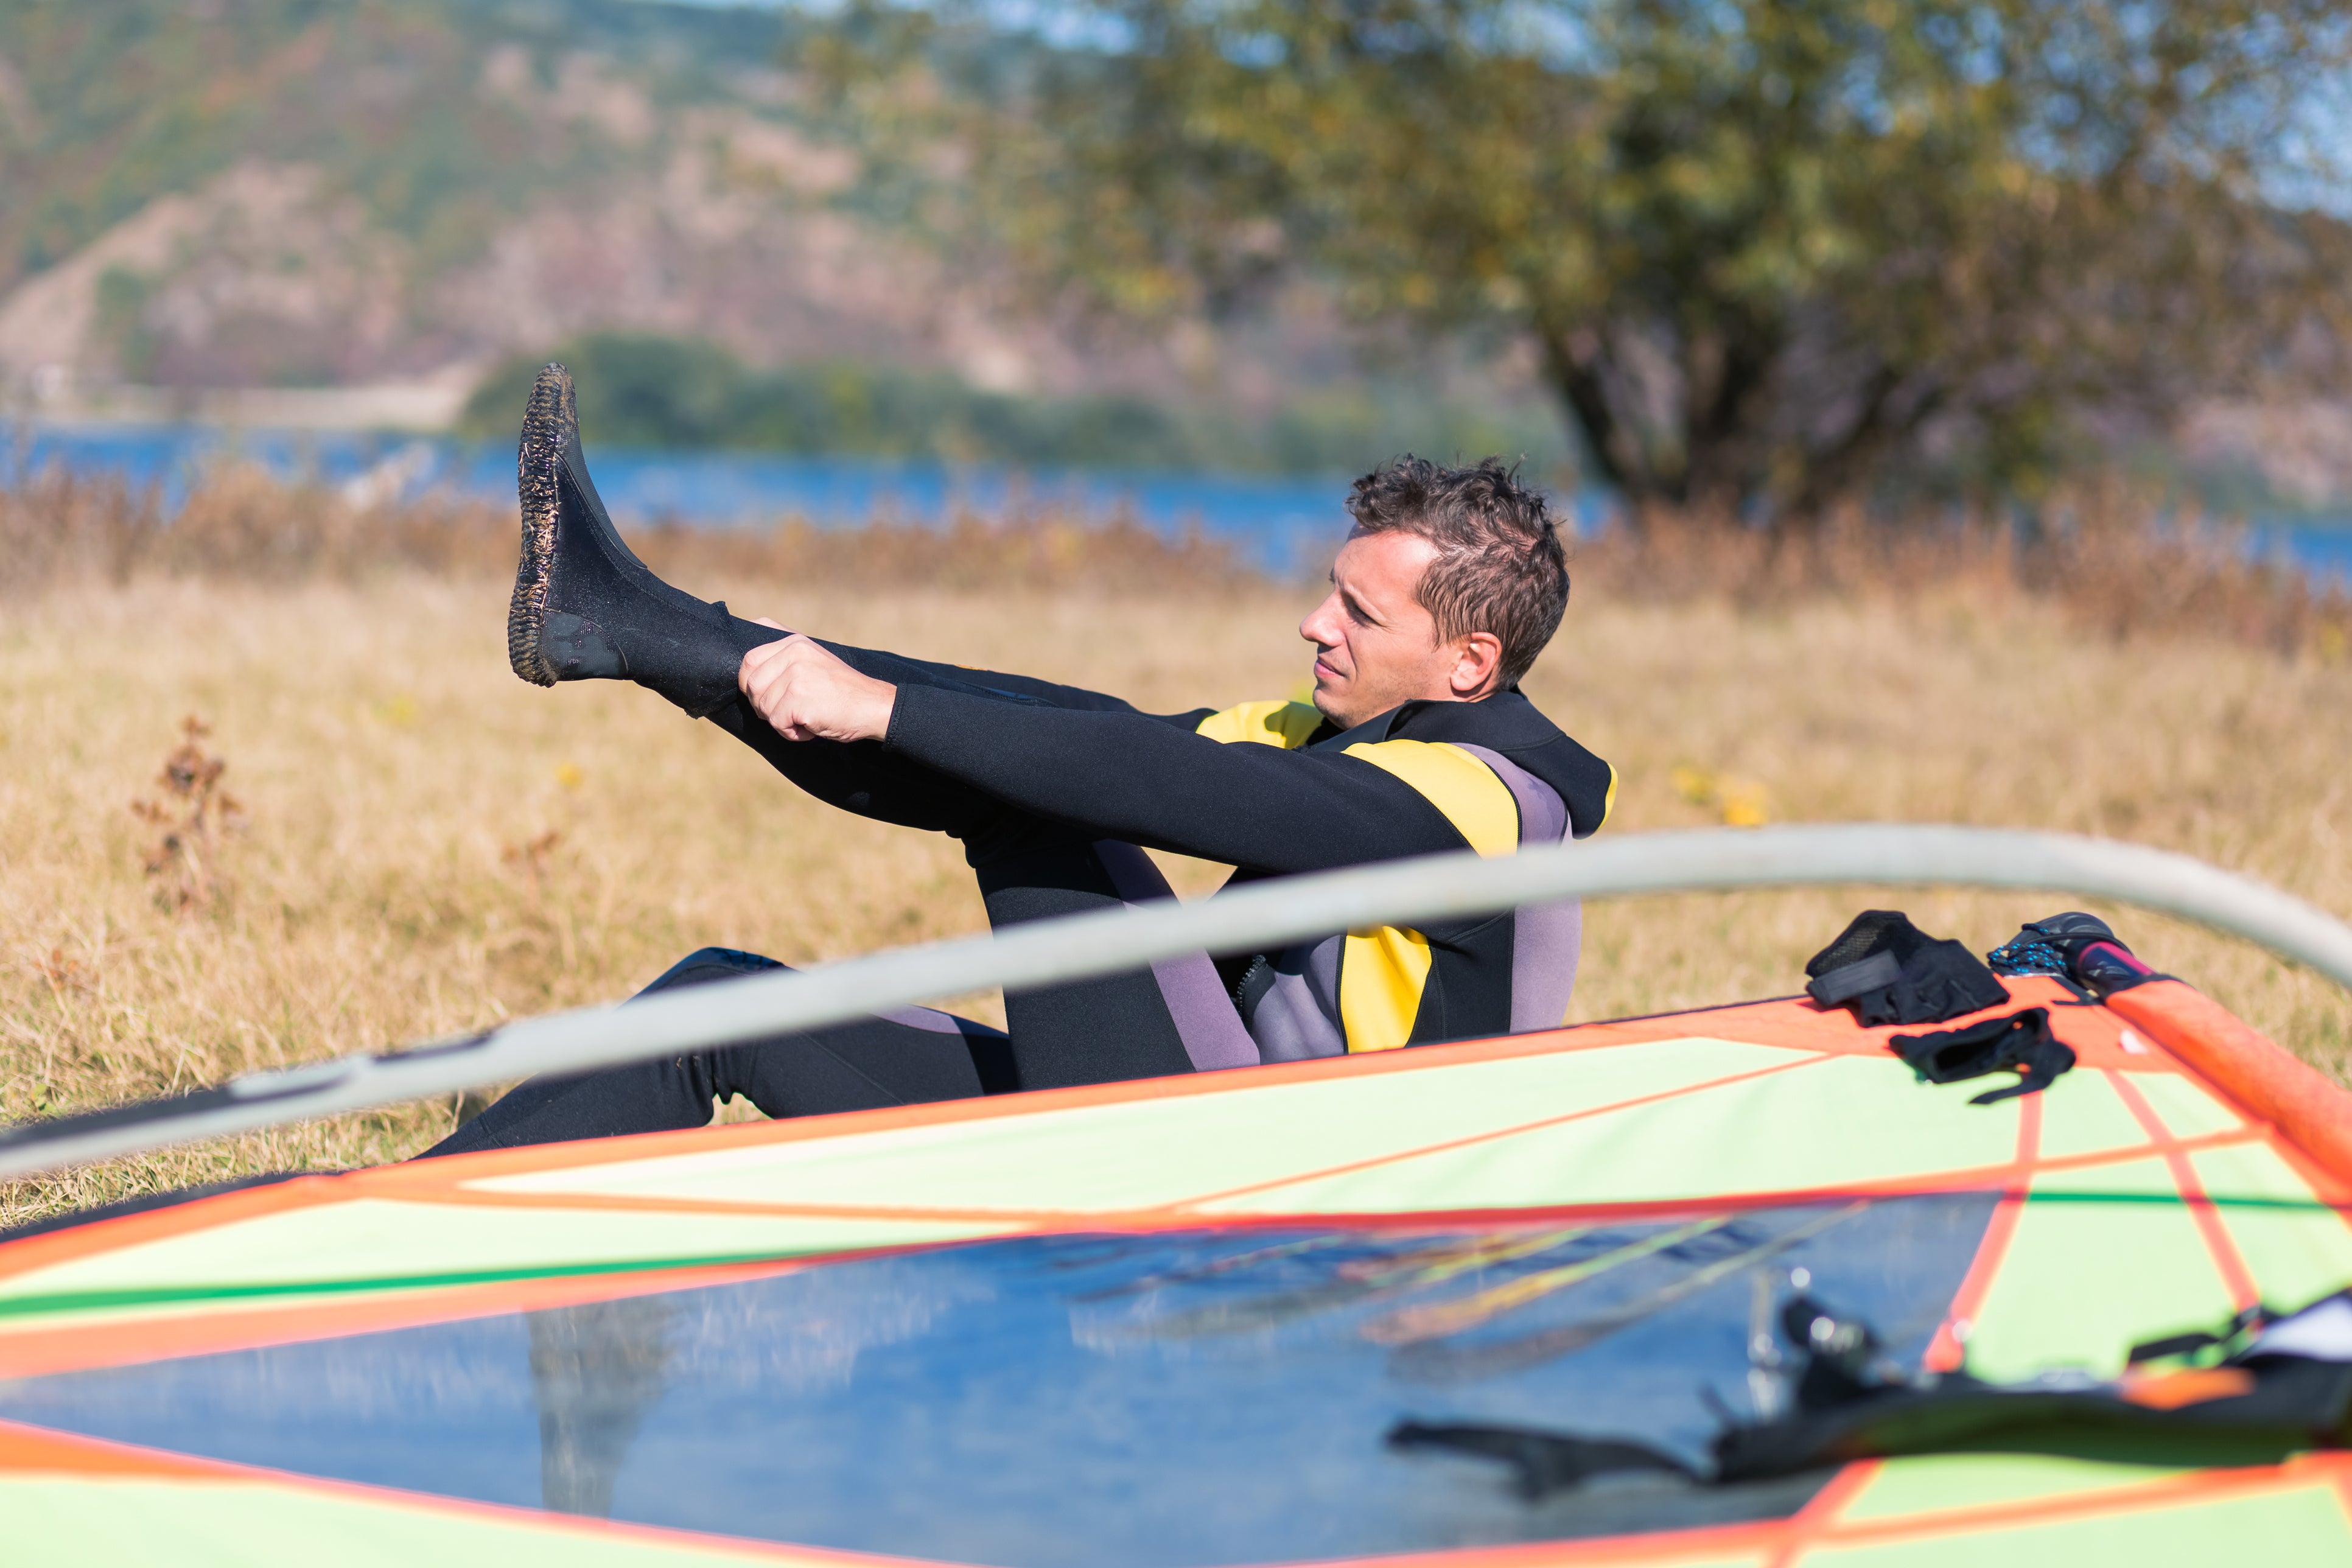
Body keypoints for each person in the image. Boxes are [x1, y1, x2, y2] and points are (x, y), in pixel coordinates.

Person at [420, 365, 1614, 1158]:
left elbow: (1145, 782)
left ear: (1470, 661)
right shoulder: (1348, 738)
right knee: (719, 1004)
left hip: (1288, 1214)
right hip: (1188, 1140)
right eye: (1329, 592)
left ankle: (628, 624)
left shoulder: (1488, 809)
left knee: (1043, 799)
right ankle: (367, 1224)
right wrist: (737, 656)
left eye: (1359, 612)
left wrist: (879, 707)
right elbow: (1079, 723)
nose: (1315, 623)